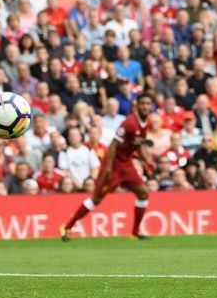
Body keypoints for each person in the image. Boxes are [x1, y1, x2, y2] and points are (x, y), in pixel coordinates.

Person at [60, 94, 155, 241]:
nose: (145, 107)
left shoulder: (145, 123)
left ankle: (135, 232)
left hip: (127, 165)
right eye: (142, 103)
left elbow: (138, 144)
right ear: (136, 105)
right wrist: (108, 169)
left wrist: (146, 161)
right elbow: (113, 145)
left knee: (143, 193)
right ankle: (67, 228)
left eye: (148, 104)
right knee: (96, 199)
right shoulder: (129, 123)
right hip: (113, 165)